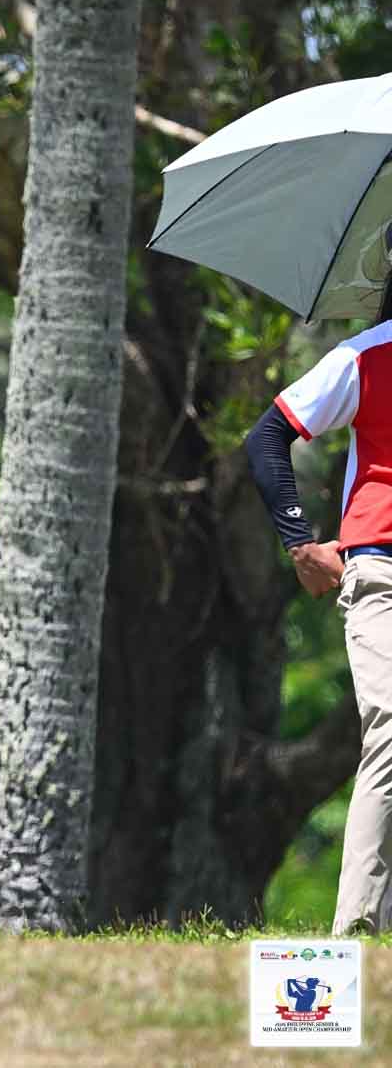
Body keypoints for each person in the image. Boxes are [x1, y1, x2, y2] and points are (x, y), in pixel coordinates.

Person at [245, 289, 392, 936]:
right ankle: (358, 930)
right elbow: (267, 436)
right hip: (383, 574)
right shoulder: (364, 357)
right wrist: (300, 542)